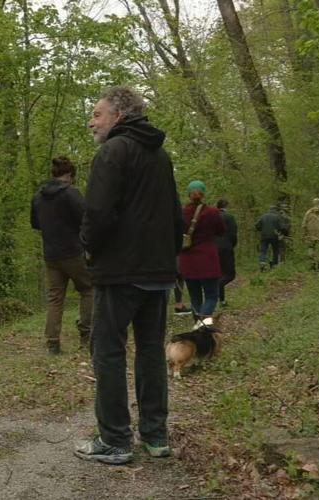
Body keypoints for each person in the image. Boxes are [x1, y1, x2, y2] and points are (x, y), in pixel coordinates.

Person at [74, 86, 183, 465]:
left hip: (120, 272)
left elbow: (97, 213)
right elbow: (175, 216)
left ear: (118, 116)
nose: (92, 122)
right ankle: (155, 436)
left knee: (108, 351)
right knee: (151, 351)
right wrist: (169, 259)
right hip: (157, 272)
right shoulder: (161, 155)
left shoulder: (112, 152)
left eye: (97, 114)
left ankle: (115, 440)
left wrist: (88, 246)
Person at [30, 156, 93, 354]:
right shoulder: (71, 194)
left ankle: (52, 342)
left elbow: (35, 224)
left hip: (51, 254)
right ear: (69, 175)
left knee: (55, 298)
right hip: (73, 252)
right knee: (88, 289)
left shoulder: (38, 196)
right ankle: (87, 335)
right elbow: (87, 219)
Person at [178, 181, 225, 317]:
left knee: (195, 297)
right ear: (203, 194)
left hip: (188, 260)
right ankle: (201, 325)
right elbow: (221, 231)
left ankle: (198, 325)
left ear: (189, 194)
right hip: (207, 259)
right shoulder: (212, 212)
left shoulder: (181, 213)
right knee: (211, 296)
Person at [215, 199, 238, 307]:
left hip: (212, 248)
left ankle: (222, 300)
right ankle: (217, 288)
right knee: (230, 274)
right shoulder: (229, 217)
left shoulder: (212, 217)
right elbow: (233, 234)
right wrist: (232, 245)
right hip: (226, 248)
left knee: (219, 274)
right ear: (226, 206)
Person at [255, 206, 289, 271]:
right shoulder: (277, 217)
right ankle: (274, 264)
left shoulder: (263, 216)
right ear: (276, 210)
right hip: (274, 235)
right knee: (275, 250)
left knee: (263, 249)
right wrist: (284, 233)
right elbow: (282, 227)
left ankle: (262, 263)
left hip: (264, 236)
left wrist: (261, 230)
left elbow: (257, 225)